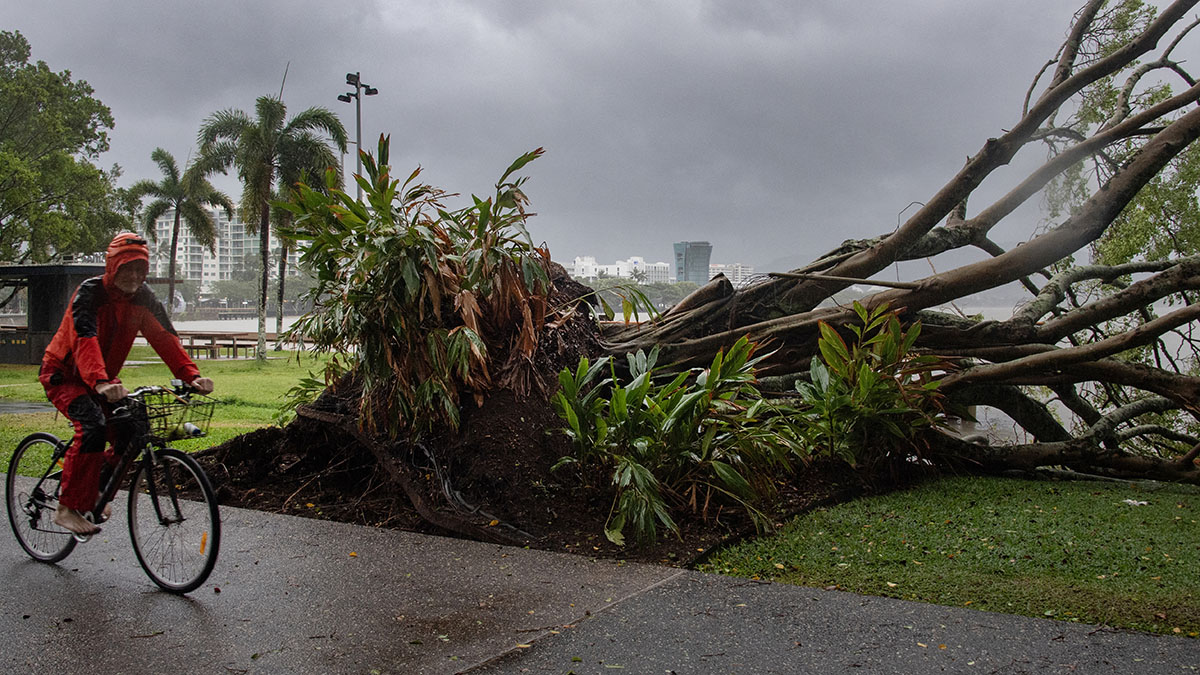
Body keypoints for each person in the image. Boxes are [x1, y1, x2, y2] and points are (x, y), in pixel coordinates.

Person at [39, 232, 215, 536]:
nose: (134, 276)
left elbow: (165, 338)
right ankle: (66, 508)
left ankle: (97, 489)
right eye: (127, 268)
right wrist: (101, 382)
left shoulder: (144, 298)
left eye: (140, 270)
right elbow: (85, 339)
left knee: (132, 430)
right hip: (64, 375)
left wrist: (192, 376)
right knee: (92, 426)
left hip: (103, 379)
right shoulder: (89, 293)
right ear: (112, 266)